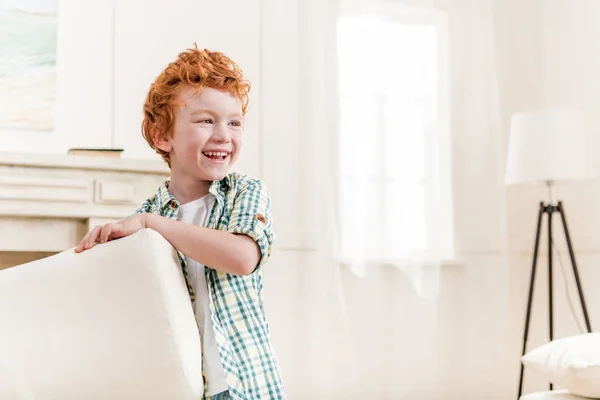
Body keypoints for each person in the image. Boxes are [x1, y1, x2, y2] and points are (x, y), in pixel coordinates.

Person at [75, 45, 286, 400]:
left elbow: (242, 257)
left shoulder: (245, 192)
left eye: (234, 122)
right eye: (206, 120)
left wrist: (151, 224)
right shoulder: (150, 213)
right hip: (179, 386)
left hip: (245, 385)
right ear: (162, 136)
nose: (223, 134)